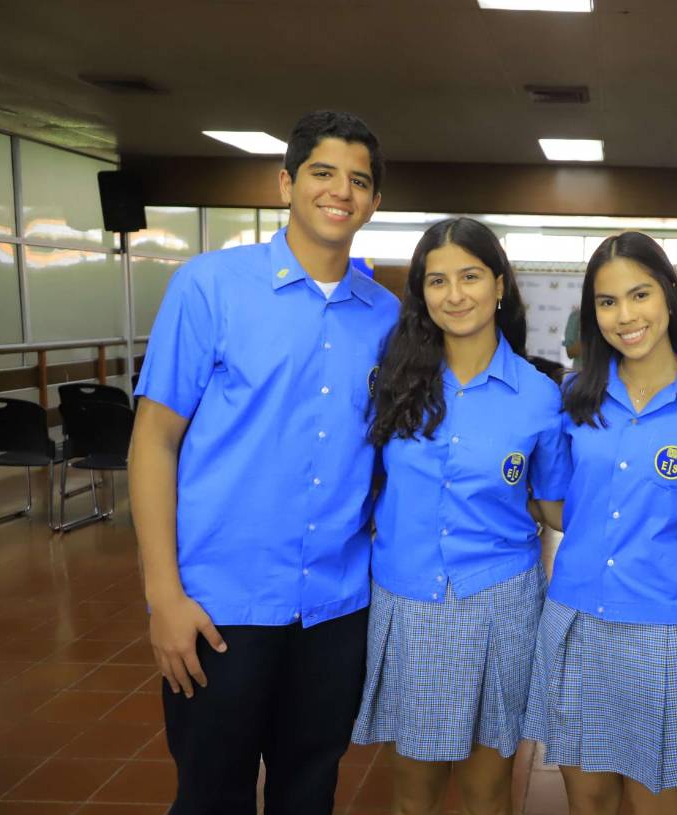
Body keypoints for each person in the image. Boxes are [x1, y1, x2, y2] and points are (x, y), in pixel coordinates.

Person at [128, 111, 398, 815]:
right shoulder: (209, 286)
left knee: (309, 792)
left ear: (373, 202)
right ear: (286, 183)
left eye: (359, 181)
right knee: (210, 795)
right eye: (322, 173)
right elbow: (154, 439)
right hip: (221, 607)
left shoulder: (389, 317)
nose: (341, 191)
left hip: (337, 610)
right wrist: (165, 597)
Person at [351, 217, 567, 815]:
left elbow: (554, 504)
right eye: (437, 280)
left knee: (486, 791)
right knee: (413, 793)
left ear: (500, 285)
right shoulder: (392, 380)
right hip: (409, 600)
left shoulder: (539, 394)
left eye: (470, 276)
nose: (455, 294)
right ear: (421, 293)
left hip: (500, 603)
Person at [525, 232, 677, 815]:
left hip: (668, 630)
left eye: (638, 295)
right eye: (607, 303)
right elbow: (558, 504)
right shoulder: (575, 396)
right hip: (577, 619)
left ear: (669, 295)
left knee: (659, 803)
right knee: (588, 802)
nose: (625, 316)